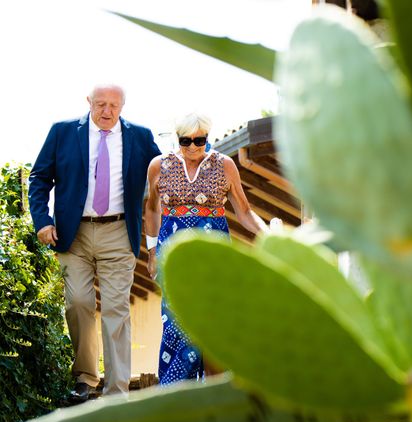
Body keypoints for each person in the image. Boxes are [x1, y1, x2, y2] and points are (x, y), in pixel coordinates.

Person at [29, 84, 162, 402]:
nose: (107, 111)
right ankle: (86, 379)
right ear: (88, 102)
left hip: (118, 231)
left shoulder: (140, 137)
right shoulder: (62, 132)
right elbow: (39, 178)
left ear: (123, 106)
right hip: (72, 234)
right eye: (100, 104)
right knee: (78, 303)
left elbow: (164, 173)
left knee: (116, 308)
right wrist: (42, 220)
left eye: (114, 105)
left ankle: (117, 392)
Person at [145, 112, 268, 385]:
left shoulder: (224, 166)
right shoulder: (159, 166)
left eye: (198, 140)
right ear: (178, 139)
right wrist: (152, 253)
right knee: (177, 326)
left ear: (207, 138)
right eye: (185, 141)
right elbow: (152, 209)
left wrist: (269, 235)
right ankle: (175, 397)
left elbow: (245, 212)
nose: (192, 147)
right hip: (173, 259)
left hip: (214, 260)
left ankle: (215, 395)